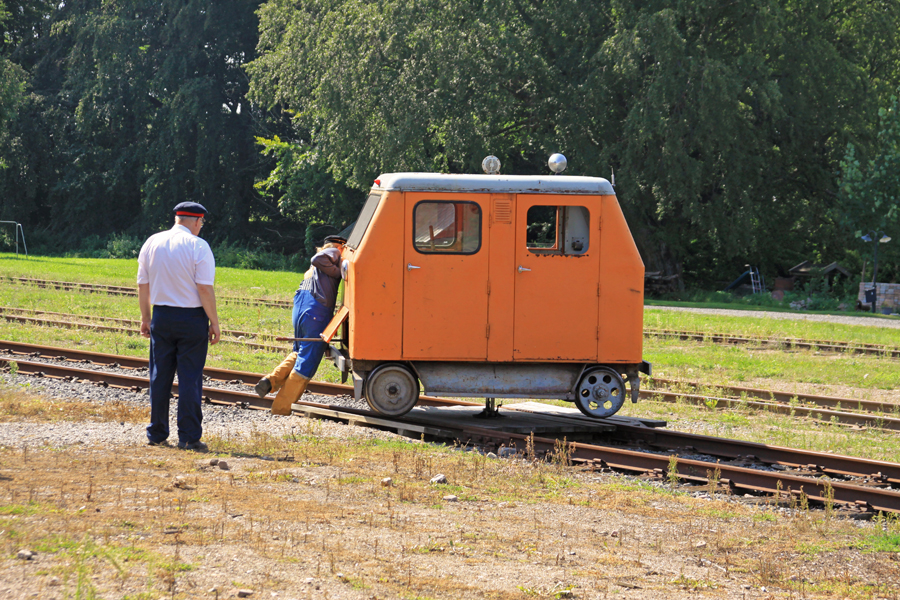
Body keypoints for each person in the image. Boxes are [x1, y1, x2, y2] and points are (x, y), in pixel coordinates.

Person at [137, 202, 221, 450]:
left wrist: (146, 317)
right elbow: (204, 288)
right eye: (201, 223)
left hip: (161, 316)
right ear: (197, 221)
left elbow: (143, 284)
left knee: (159, 376)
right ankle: (188, 437)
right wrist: (214, 321)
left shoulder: (152, 242)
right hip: (192, 319)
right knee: (190, 378)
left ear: (177, 219)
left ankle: (157, 433)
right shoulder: (199, 246)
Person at [255, 235, 345, 415]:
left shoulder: (312, 269)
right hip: (316, 310)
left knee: (300, 351)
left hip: (301, 307)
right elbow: (318, 258)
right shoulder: (334, 251)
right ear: (339, 245)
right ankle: (281, 410)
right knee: (307, 361)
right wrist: (339, 273)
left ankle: (271, 380)